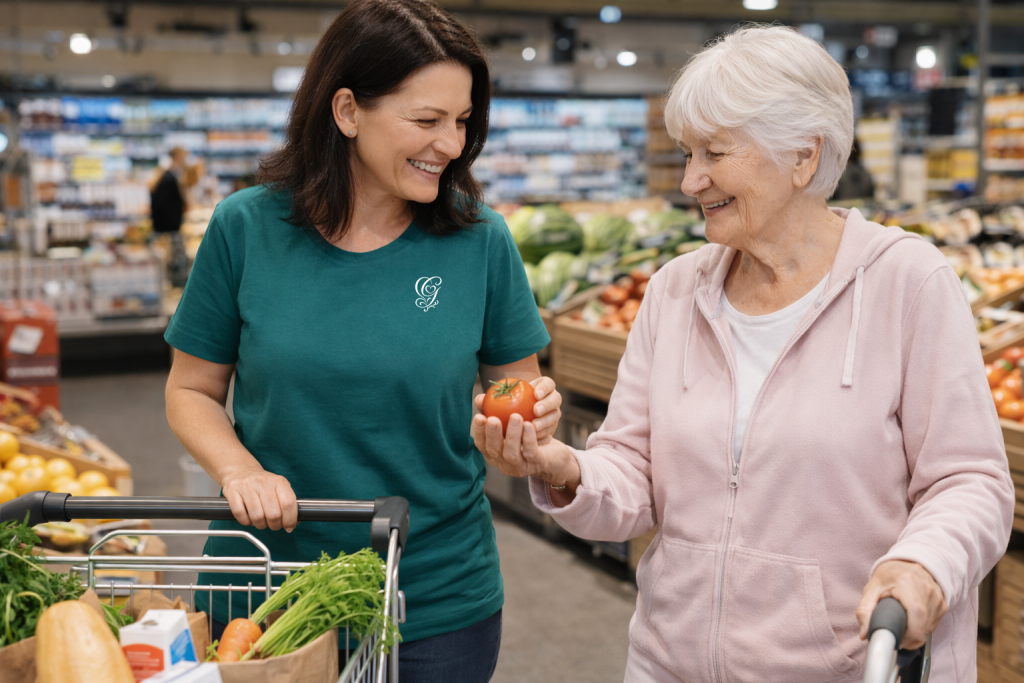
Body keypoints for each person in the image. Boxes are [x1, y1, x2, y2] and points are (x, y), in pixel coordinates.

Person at [473, 26, 1013, 683]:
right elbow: (633, 471)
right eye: (687, 153)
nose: (691, 179)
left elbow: (971, 482)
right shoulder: (676, 291)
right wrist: (565, 468)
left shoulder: (908, 283)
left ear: (803, 156)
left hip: (843, 667)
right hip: (667, 663)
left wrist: (923, 563)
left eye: (715, 153)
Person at [163, 1, 561, 680]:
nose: (452, 144)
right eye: (427, 120)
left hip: (431, 593)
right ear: (348, 112)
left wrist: (530, 428)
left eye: (463, 122)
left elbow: (514, 392)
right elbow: (191, 389)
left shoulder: (479, 238)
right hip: (260, 587)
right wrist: (240, 470)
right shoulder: (245, 228)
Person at [150, 147, 190, 286]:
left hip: (167, 226)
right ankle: (176, 284)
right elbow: (162, 205)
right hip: (169, 228)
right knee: (174, 260)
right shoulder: (170, 177)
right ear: (177, 157)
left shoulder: (168, 175)